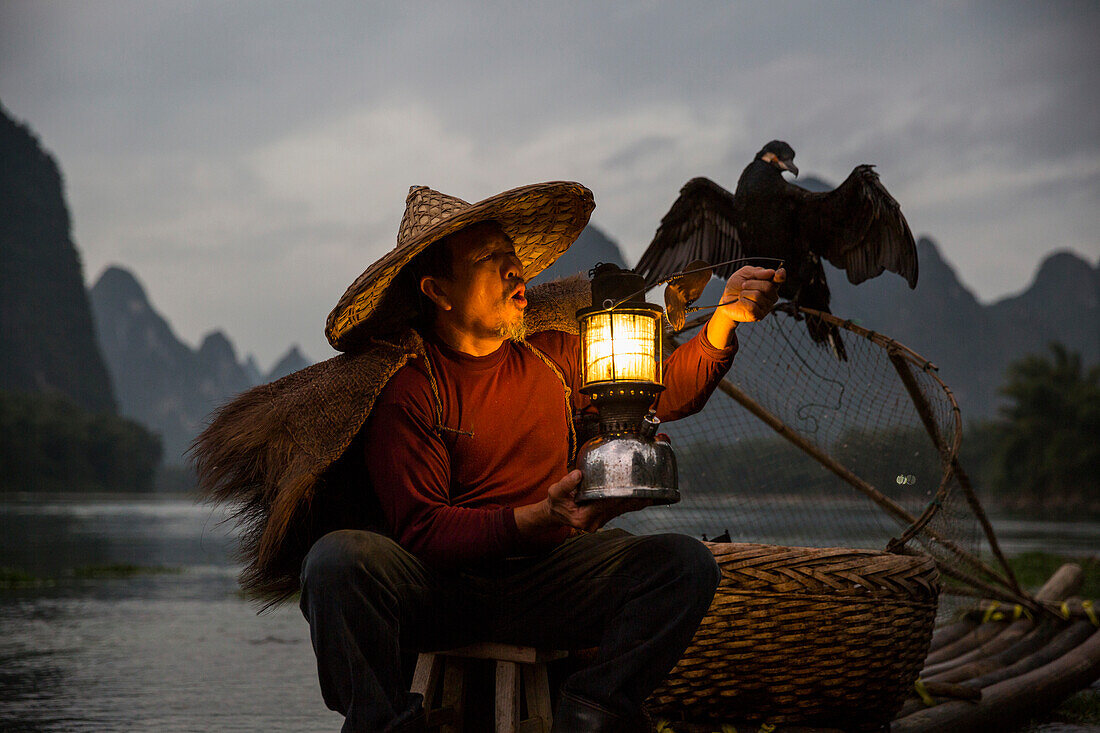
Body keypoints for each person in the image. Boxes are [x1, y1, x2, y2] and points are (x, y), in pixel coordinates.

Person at [193, 181, 782, 733]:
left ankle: (595, 709)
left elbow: (663, 390)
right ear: (438, 292)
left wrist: (724, 321)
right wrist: (536, 517)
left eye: (513, 257)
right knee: (336, 562)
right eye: (488, 260)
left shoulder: (556, 357)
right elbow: (422, 529)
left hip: (545, 582)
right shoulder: (408, 387)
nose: (513, 270)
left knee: (684, 565)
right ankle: (382, 723)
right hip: (437, 591)